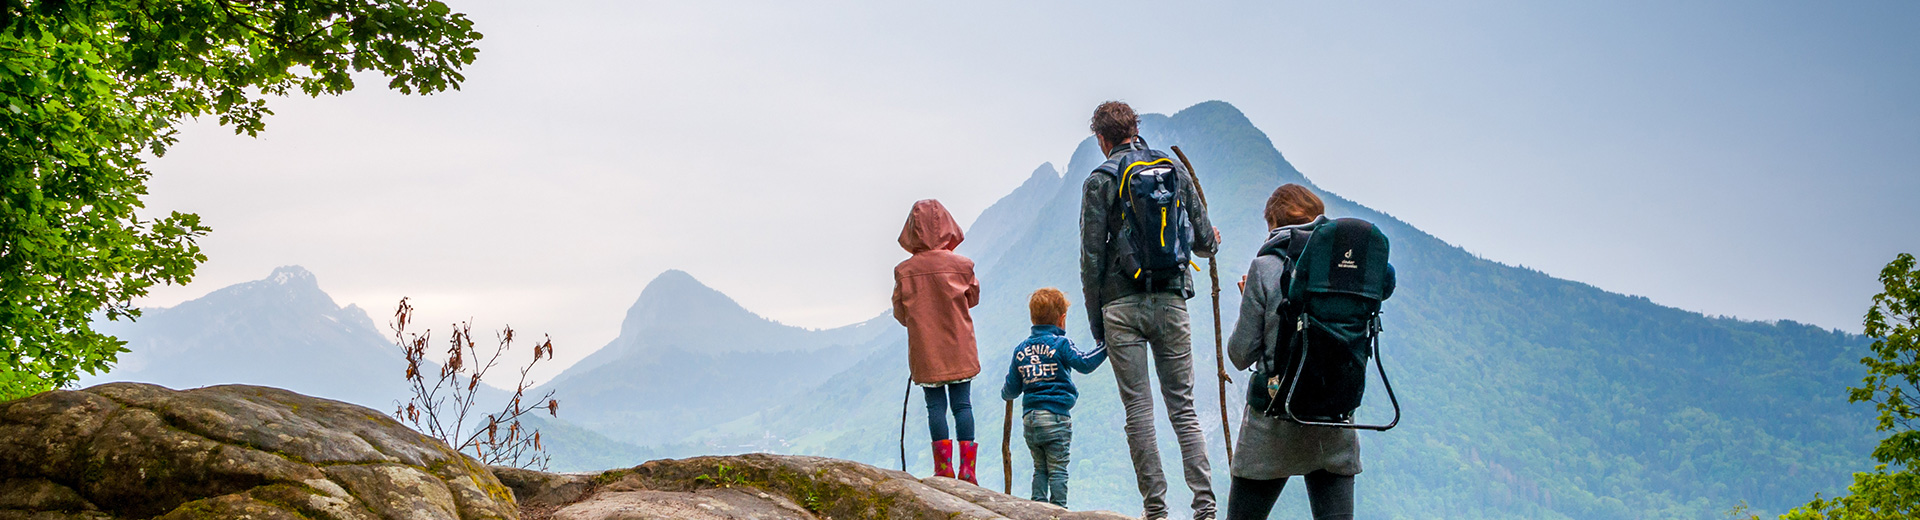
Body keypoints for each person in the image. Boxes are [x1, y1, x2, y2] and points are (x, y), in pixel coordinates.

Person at [1079, 101, 1221, 520]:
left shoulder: (1099, 180)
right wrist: (1212, 239)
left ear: (1101, 139)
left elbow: (1090, 258)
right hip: (1172, 298)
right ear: (1136, 127)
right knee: (1183, 405)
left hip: (1120, 305)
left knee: (1139, 409)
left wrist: (1097, 320)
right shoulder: (1170, 168)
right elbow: (1202, 241)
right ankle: (1205, 507)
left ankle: (1156, 511)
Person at [1224, 184, 1357, 520]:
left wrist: (1249, 302)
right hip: (1334, 418)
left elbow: (1240, 355)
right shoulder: (1346, 270)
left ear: (1273, 224)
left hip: (1274, 420)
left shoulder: (1265, 266)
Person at [893, 199, 984, 484]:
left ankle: (943, 470)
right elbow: (973, 299)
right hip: (960, 345)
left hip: (926, 350)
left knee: (936, 407)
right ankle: (967, 472)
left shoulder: (904, 272)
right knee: (963, 406)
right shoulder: (963, 265)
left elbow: (900, 312)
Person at [1001, 288, 1108, 507]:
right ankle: (1059, 511)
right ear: (1062, 319)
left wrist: (1004, 393)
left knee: (1040, 468)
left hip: (1030, 421)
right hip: (1056, 417)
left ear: (1033, 318)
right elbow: (1085, 363)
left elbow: (1011, 390)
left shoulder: (1021, 349)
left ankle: (1037, 509)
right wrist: (1106, 346)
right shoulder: (1061, 344)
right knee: (1058, 470)